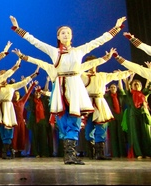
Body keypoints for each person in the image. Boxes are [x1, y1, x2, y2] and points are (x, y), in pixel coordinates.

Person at [9, 15, 125, 165]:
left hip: (75, 86)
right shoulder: (53, 51)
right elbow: (35, 41)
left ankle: (71, 154)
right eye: (62, 33)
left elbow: (99, 40)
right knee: (63, 120)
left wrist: (116, 28)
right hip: (61, 87)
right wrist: (17, 28)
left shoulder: (79, 51)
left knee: (75, 118)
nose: (66, 35)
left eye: (68, 32)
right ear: (58, 36)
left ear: (72, 36)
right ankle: (68, 153)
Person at [81, 51, 132, 160]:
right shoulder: (82, 76)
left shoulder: (102, 76)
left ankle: (100, 153)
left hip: (100, 102)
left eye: (93, 63)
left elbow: (116, 75)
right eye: (89, 63)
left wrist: (130, 71)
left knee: (101, 127)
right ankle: (91, 151)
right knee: (88, 130)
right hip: (87, 104)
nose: (91, 65)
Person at [111, 51, 151, 158]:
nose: (136, 85)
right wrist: (127, 78)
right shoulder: (130, 94)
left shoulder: (144, 94)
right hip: (133, 116)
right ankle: (139, 153)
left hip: (143, 115)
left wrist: (149, 71)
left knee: (146, 134)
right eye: (135, 84)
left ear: (141, 86)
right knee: (135, 135)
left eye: (138, 84)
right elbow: (127, 85)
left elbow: (148, 83)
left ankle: (148, 152)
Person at [26, 78, 53, 158]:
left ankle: (44, 152)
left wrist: (47, 81)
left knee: (43, 137)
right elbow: (27, 93)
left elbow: (45, 90)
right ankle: (35, 153)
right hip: (34, 120)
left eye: (39, 93)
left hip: (42, 120)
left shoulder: (43, 100)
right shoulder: (32, 100)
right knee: (34, 138)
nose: (37, 94)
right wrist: (29, 86)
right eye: (36, 93)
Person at [104, 77, 129, 158]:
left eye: (114, 87)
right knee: (113, 135)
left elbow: (121, 88)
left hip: (120, 116)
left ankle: (122, 153)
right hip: (112, 117)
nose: (113, 88)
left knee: (121, 135)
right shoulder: (107, 97)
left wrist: (119, 78)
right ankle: (115, 154)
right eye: (111, 87)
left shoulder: (120, 96)